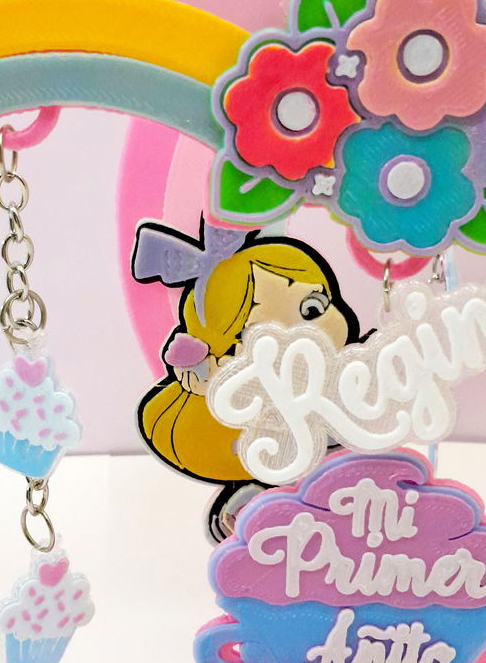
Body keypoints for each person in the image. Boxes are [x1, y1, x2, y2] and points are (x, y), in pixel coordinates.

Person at [132, 220, 358, 538]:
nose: (304, 334)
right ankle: (252, 516)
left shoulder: (334, 376)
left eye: (313, 307)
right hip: (273, 454)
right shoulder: (243, 391)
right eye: (255, 334)